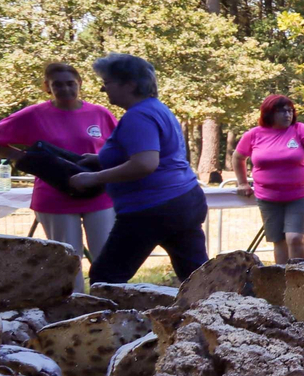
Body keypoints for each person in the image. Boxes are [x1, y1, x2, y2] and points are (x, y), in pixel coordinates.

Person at [68, 54, 208, 284]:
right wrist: (100, 158)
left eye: (108, 82)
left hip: (150, 208)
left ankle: (104, 320)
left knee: (106, 278)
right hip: (183, 199)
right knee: (196, 275)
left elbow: (145, 163)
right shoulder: (155, 108)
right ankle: (222, 311)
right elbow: (157, 154)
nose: (104, 89)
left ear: (130, 84)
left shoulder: (138, 116)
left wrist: (93, 178)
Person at [0, 62, 118, 290]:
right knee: (67, 257)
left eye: (70, 83)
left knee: (106, 255)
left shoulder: (99, 113)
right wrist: (21, 158)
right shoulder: (34, 114)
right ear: (47, 87)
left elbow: (119, 146)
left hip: (98, 194)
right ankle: (73, 311)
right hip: (55, 197)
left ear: (80, 84)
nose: (65, 89)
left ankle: (110, 305)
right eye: (57, 85)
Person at [234, 95, 304, 264]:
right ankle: (282, 280)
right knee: (278, 241)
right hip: (267, 197)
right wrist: (243, 182)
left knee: (295, 238)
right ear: (269, 113)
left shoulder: (299, 129)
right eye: (282, 111)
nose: (287, 115)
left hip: (298, 195)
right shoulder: (254, 134)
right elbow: (238, 158)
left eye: (290, 111)